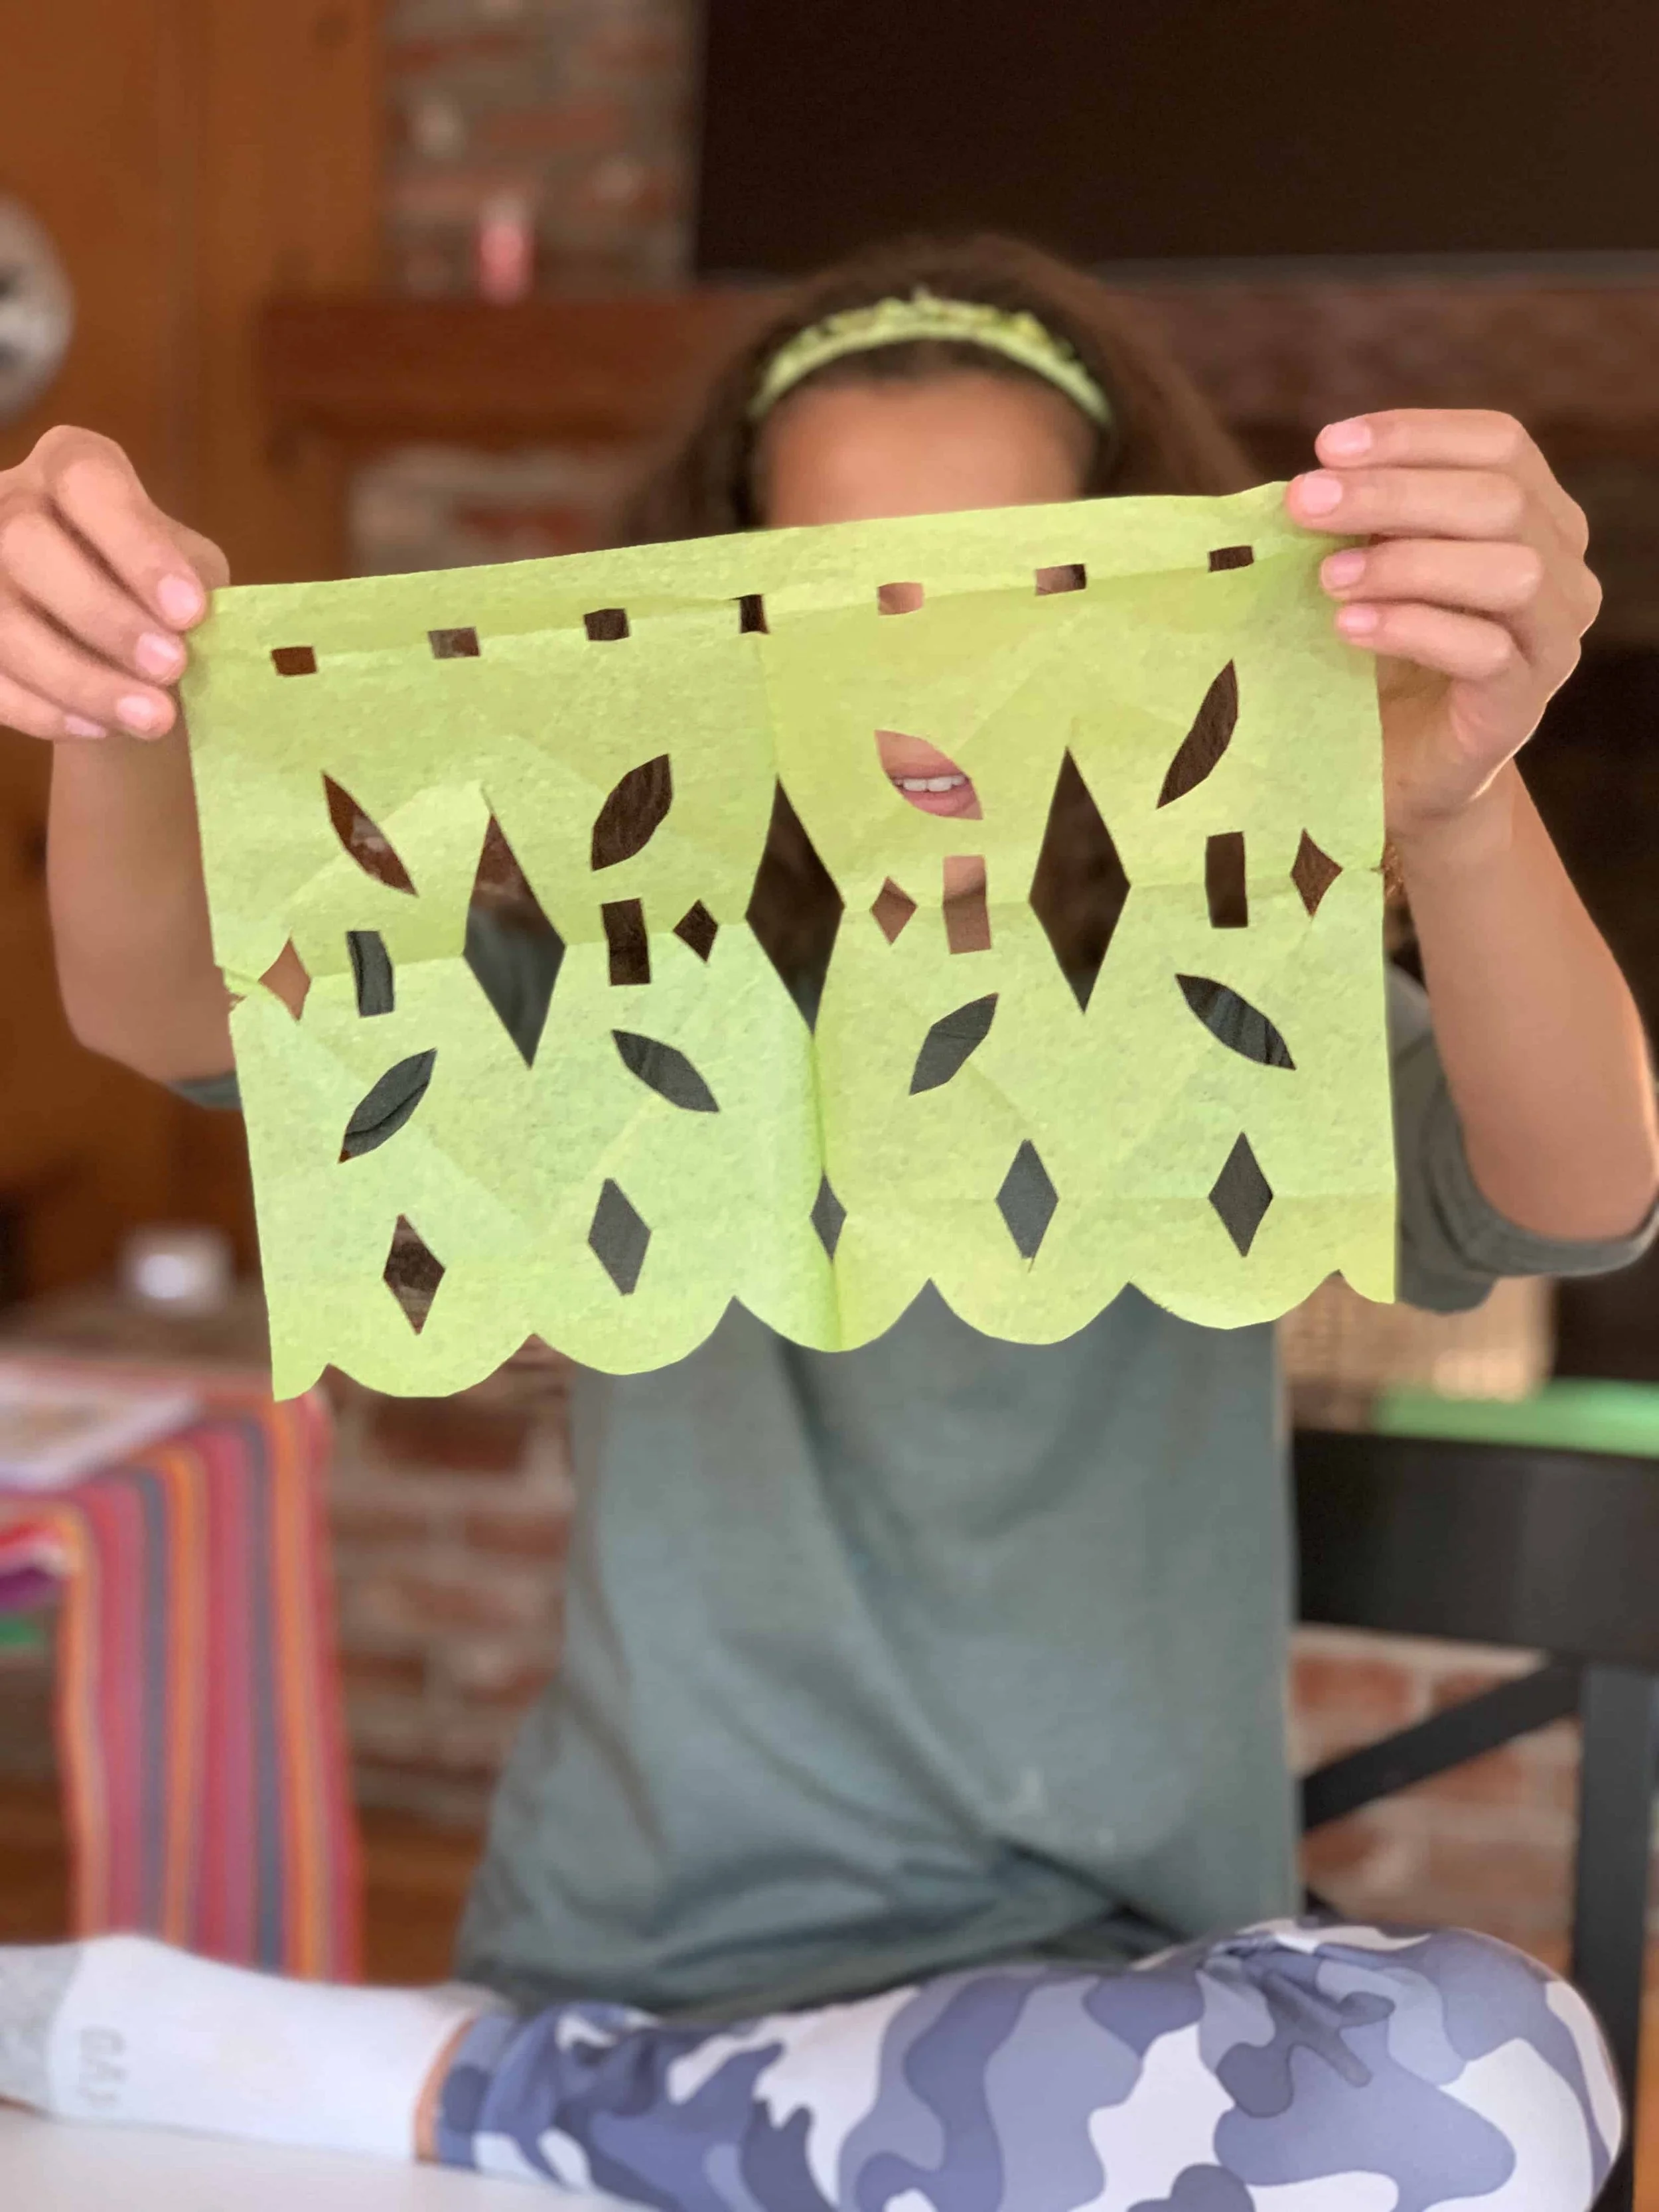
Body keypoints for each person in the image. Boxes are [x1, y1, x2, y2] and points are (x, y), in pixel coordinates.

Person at [0, 234, 1653, 2209]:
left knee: (1480, 2083)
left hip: (1112, 2003)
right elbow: (166, 1000)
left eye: (1000, 594)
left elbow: (1575, 1192)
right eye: (834, 603)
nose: (917, 679)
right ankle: (588, 2099)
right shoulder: (603, 976)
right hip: (641, 1965)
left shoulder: (1223, 985)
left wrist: (1456, 807)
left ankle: (505, 2096)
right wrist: (110, 698)